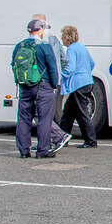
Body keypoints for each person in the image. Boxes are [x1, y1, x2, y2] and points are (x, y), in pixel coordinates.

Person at [12, 19, 69, 158]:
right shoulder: (44, 46)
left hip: (25, 87)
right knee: (44, 119)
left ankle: (24, 151)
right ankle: (42, 150)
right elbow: (53, 68)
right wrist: (54, 86)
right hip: (43, 87)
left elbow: (13, 64)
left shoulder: (19, 46)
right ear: (40, 30)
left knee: (24, 118)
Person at [31, 13, 69, 149]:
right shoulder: (55, 38)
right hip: (55, 80)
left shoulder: (42, 39)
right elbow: (64, 59)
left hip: (44, 81)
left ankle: (58, 136)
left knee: (39, 112)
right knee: (46, 112)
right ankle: (45, 142)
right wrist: (58, 74)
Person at [57, 25, 98, 148]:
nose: (62, 39)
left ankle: (91, 141)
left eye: (63, 36)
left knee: (82, 113)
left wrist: (60, 73)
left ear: (66, 37)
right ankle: (62, 137)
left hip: (77, 84)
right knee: (68, 113)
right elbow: (92, 64)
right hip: (87, 81)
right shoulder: (81, 47)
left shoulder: (71, 49)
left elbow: (71, 67)